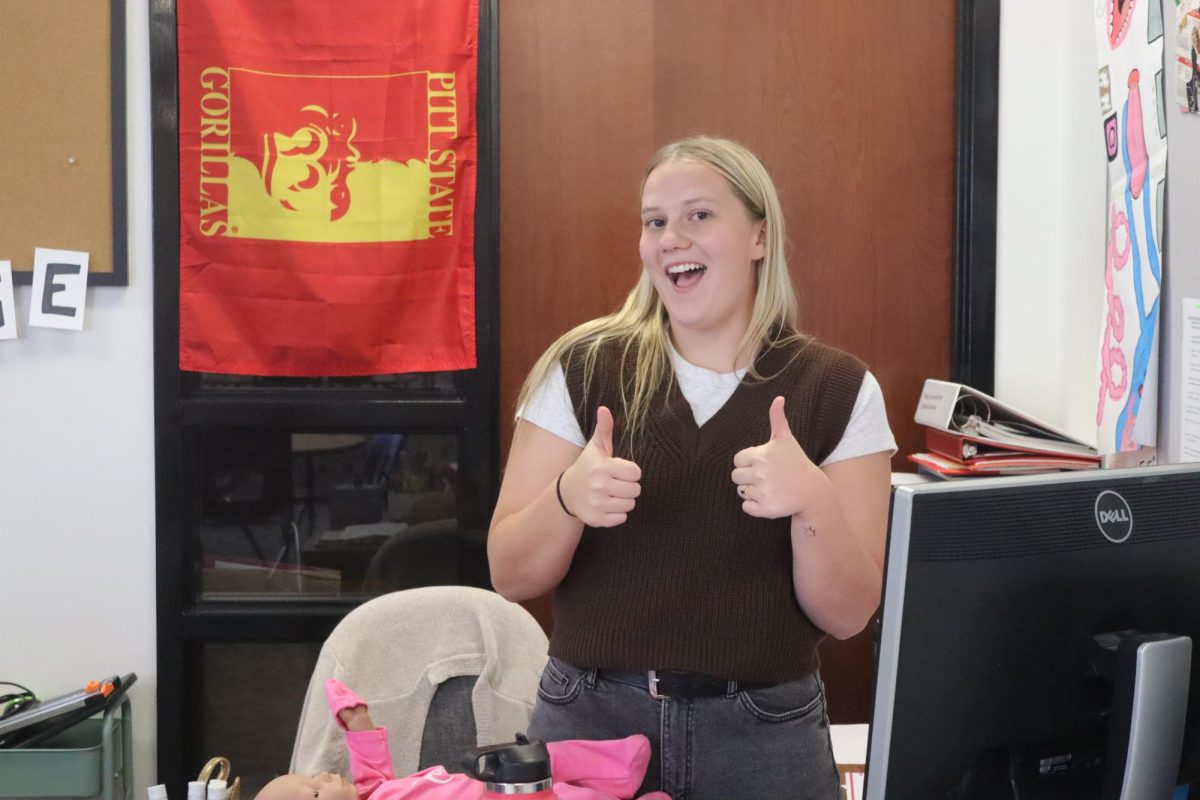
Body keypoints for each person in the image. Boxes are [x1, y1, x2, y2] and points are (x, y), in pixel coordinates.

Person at [487, 135, 896, 799]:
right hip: (591, 723)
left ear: (759, 237)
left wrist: (812, 502)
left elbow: (848, 615)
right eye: (655, 222)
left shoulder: (840, 388)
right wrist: (567, 499)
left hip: (766, 735)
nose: (671, 237)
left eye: (699, 215)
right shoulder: (582, 368)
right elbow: (510, 574)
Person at [256, 679, 669, 800]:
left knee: (542, 757)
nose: (324, 777)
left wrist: (357, 717)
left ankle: (618, 768)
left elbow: (371, 765)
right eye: (313, 794)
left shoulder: (370, 792)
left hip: (489, 782)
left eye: (312, 776)